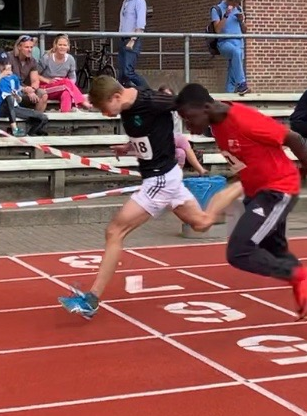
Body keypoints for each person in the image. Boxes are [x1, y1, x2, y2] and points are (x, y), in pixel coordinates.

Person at [175, 83, 307, 342]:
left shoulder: (244, 120)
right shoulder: (216, 126)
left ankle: (299, 277)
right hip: (257, 193)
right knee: (278, 253)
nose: (189, 127)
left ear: (206, 108)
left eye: (189, 119)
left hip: (278, 189)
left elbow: (292, 138)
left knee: (239, 251)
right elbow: (241, 162)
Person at [57, 75, 215, 318]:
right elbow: (149, 139)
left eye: (104, 109)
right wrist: (128, 148)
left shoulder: (152, 101)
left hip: (160, 179)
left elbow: (189, 101)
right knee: (202, 223)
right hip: (167, 176)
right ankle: (238, 191)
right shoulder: (127, 107)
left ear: (117, 97)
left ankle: (92, 299)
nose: (104, 115)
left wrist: (219, 118)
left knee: (114, 232)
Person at [0, 50, 49, 136]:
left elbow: (19, 98)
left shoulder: (13, 78)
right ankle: (14, 129)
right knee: (9, 98)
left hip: (14, 107)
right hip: (0, 108)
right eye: (2, 64)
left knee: (43, 118)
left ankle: (30, 134)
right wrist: (1, 76)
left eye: (6, 63)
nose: (5, 66)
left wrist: (17, 96)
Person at [37, 34, 91, 111]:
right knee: (66, 82)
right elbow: (35, 75)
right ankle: (82, 101)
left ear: (68, 47)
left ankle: (65, 116)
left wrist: (66, 83)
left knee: (67, 93)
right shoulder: (47, 58)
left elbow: (72, 78)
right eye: (60, 45)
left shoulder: (70, 59)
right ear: (55, 46)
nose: (62, 47)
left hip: (62, 87)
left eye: (64, 45)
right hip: (46, 88)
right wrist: (48, 80)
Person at [211, 0, 248, 95]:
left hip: (239, 43)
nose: (236, 5)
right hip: (224, 43)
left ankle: (229, 95)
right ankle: (242, 84)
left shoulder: (239, 9)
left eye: (238, 3)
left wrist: (241, 21)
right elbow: (217, 30)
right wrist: (226, 14)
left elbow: (245, 30)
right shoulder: (217, 9)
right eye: (234, 2)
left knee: (233, 71)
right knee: (236, 53)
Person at [118, 0, 148, 89]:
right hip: (122, 39)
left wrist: (133, 39)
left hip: (132, 39)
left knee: (128, 71)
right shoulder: (125, 2)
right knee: (122, 75)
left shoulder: (139, 1)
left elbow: (140, 23)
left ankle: (148, 91)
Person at [10, 35, 48, 111]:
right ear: (19, 47)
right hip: (11, 88)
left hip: (26, 88)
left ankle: (37, 119)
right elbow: (8, 81)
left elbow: (35, 81)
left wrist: (31, 89)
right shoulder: (9, 57)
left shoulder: (32, 61)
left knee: (43, 95)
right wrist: (24, 89)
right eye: (27, 47)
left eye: (31, 47)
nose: (30, 50)